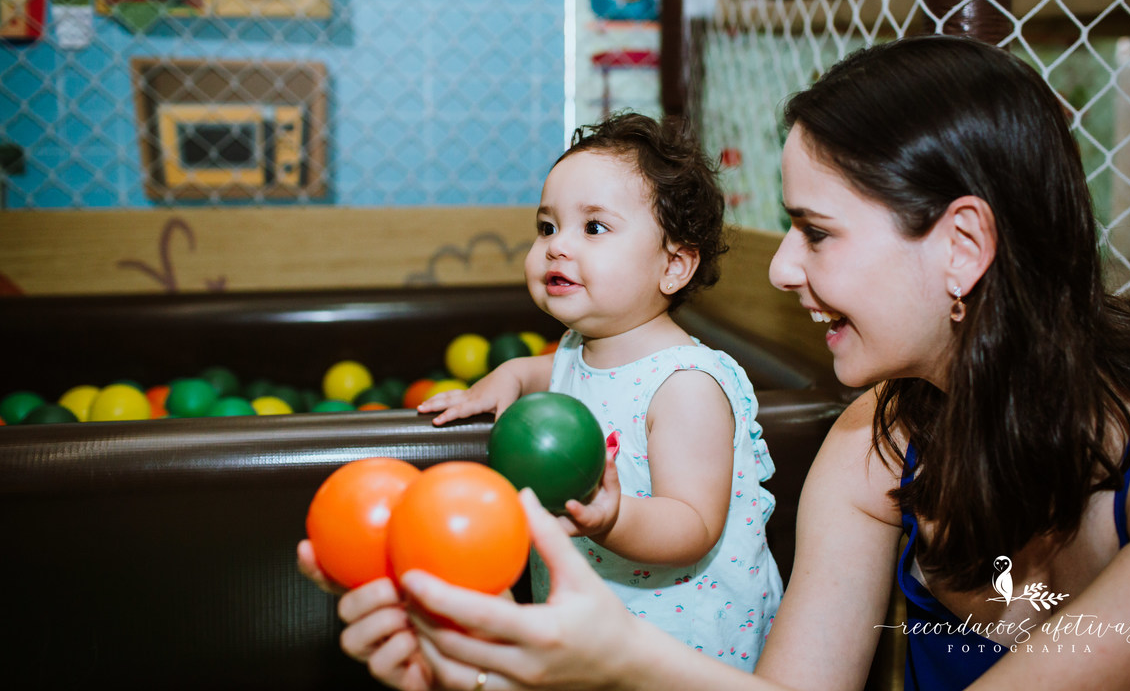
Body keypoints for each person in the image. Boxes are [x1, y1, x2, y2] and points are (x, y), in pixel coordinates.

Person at [303, 36, 1130, 691]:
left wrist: (620, 666)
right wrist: (492, 665)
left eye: (815, 232)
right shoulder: (876, 441)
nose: (780, 267)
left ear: (962, 246)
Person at [300, 111, 784, 676]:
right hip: (587, 630)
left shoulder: (686, 385)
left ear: (673, 265)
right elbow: (543, 371)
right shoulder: (580, 346)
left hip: (683, 643)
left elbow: (693, 525)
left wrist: (613, 517)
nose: (556, 248)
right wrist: (503, 380)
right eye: (547, 227)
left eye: (594, 228)